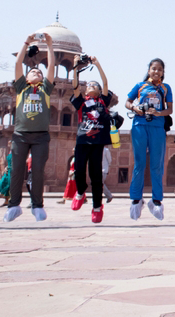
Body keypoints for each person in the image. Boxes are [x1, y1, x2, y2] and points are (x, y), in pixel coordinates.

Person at [4, 33, 56, 223]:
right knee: (16, 169)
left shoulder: (45, 90)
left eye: (39, 73)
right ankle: (14, 205)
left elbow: (50, 67)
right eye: (33, 71)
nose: (37, 73)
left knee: (38, 170)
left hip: (41, 136)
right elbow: (18, 65)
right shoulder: (21, 89)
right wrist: (26, 42)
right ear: (25, 78)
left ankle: (37, 205)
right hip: (20, 135)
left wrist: (49, 45)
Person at [126, 58, 173, 221]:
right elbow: (127, 102)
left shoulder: (166, 88)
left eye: (160, 70)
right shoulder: (140, 86)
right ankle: (136, 200)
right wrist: (135, 108)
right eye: (154, 69)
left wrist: (158, 113)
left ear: (163, 72)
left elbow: (170, 109)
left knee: (156, 165)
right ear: (149, 70)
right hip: (139, 125)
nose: (156, 72)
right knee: (139, 163)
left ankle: (157, 200)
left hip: (158, 127)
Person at [70, 56, 112, 224]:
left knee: (96, 176)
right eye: (88, 85)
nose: (91, 86)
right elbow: (75, 85)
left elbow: (105, 82)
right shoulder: (81, 102)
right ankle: (80, 192)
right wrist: (75, 66)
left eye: (94, 85)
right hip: (82, 141)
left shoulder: (103, 101)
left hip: (98, 142)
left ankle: (96, 207)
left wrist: (97, 64)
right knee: (79, 171)